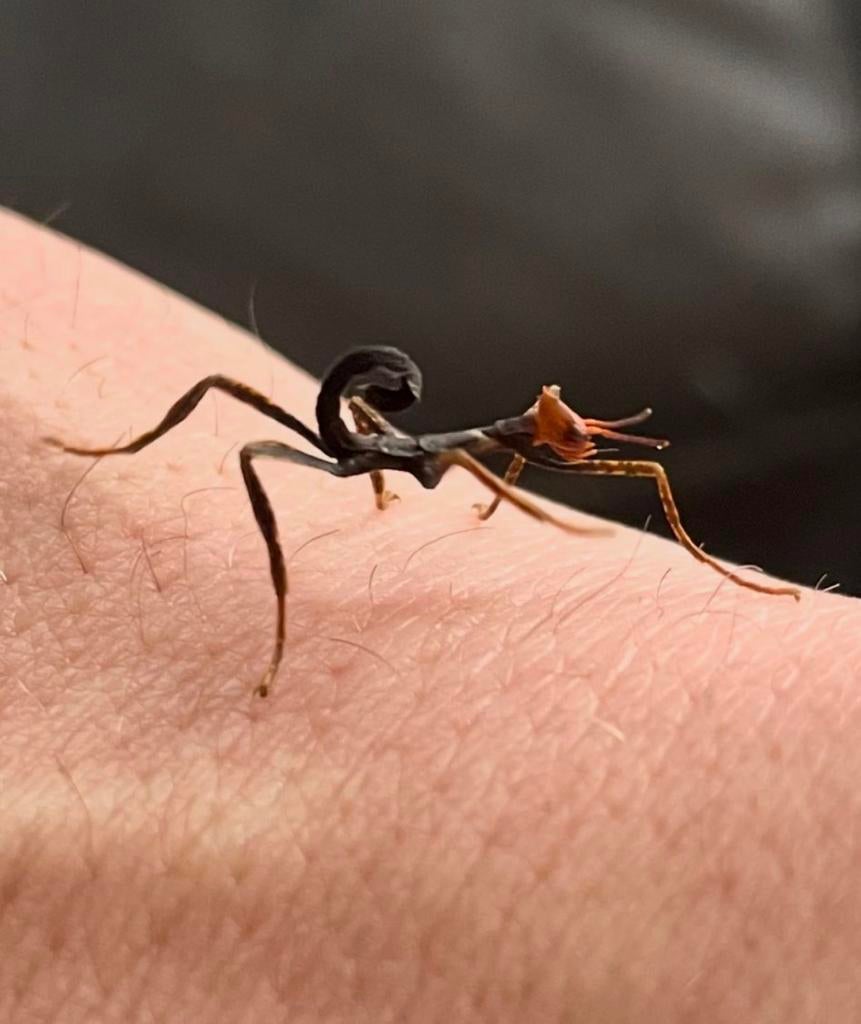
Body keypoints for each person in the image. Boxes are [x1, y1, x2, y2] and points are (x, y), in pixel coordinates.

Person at [3, 208, 859, 1021]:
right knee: (245, 426)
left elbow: (496, 452)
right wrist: (544, 521)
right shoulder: (451, 444)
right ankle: (254, 603)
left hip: (394, 439)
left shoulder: (498, 442)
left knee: (601, 469)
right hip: (363, 441)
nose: (575, 443)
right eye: (560, 433)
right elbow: (470, 459)